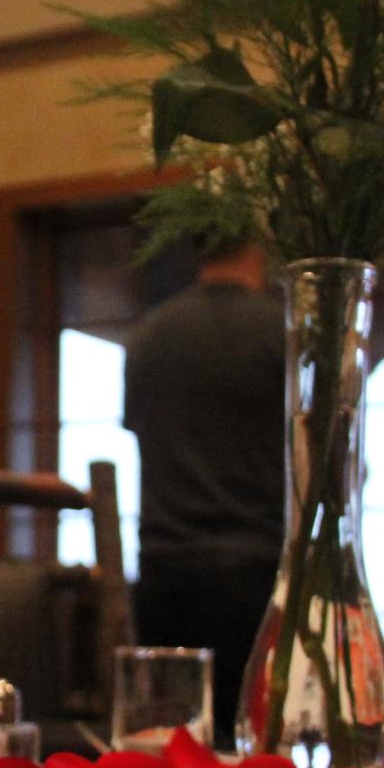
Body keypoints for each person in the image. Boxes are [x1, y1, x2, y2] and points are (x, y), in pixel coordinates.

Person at [122, 236, 282, 724]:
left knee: (170, 740)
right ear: (259, 246)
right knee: (250, 741)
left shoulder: (148, 335)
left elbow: (137, 428)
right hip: (256, 576)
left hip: (163, 573)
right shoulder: (282, 330)